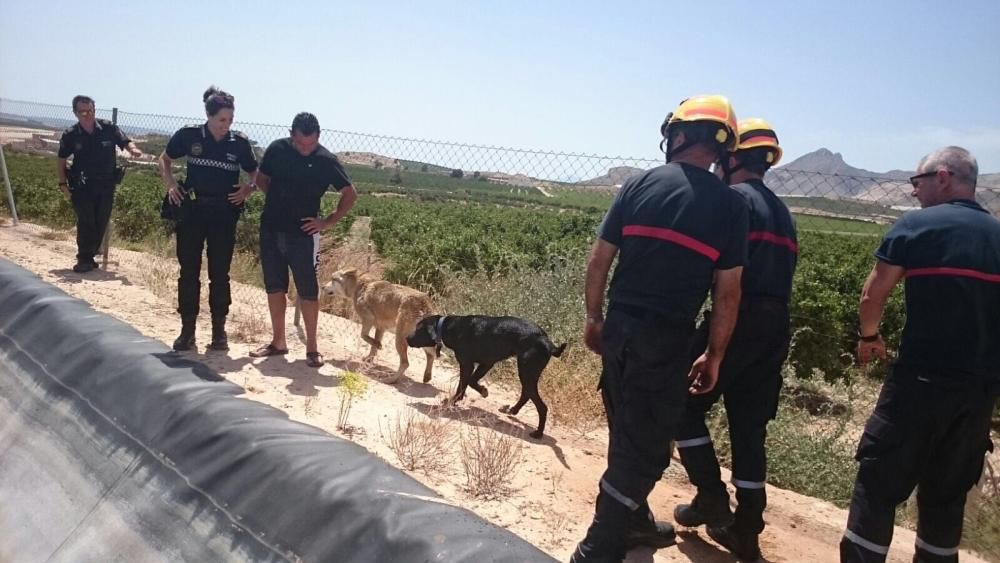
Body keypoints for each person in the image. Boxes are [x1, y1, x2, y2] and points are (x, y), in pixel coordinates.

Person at [572, 95, 750, 563]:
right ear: (720, 148)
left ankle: (631, 525)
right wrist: (714, 354)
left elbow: (599, 260)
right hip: (667, 338)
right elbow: (728, 293)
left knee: (626, 430)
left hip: (621, 327)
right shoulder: (731, 208)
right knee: (648, 449)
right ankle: (597, 547)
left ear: (680, 135)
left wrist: (594, 318)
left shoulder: (638, 185)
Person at [841, 147, 999, 563]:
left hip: (918, 385)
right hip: (978, 395)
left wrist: (870, 337)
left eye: (917, 182)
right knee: (946, 499)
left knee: (877, 485)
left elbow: (873, 294)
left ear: (943, 177)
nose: (914, 193)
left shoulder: (916, 226)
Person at [671, 118, 797, 561]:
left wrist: (711, 344)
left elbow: (722, 276)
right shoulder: (782, 212)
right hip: (774, 328)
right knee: (749, 427)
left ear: (731, 157)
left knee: (681, 403)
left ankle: (709, 495)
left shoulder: (733, 201)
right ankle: (747, 529)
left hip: (737, 318)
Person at [249, 112, 357, 368]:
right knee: (274, 287)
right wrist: (277, 200)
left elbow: (350, 194)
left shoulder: (326, 160)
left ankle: (312, 349)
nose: (306, 150)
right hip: (271, 229)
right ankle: (278, 342)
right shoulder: (277, 149)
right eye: (300, 144)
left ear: (318, 137)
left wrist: (327, 221)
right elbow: (262, 179)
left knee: (308, 291)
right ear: (291, 135)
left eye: (311, 144)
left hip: (304, 237)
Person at [159, 87, 258, 352]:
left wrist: (248, 188)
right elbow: (165, 160)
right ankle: (187, 331)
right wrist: (170, 185)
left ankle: (218, 333)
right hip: (192, 211)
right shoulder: (189, 135)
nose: (226, 126)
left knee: (220, 274)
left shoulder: (239, 143)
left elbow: (254, 172)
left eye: (230, 120)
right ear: (208, 115)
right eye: (221, 120)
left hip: (224, 214)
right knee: (188, 272)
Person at [57, 95, 143, 273]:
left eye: (90, 111)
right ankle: (84, 258)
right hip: (81, 184)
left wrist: (133, 150)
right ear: (75, 113)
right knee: (86, 219)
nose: (87, 115)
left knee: (100, 220)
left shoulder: (108, 128)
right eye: (82, 112)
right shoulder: (71, 134)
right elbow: (61, 159)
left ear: (94, 110)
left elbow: (125, 141)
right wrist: (62, 183)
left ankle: (91, 253)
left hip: (105, 184)